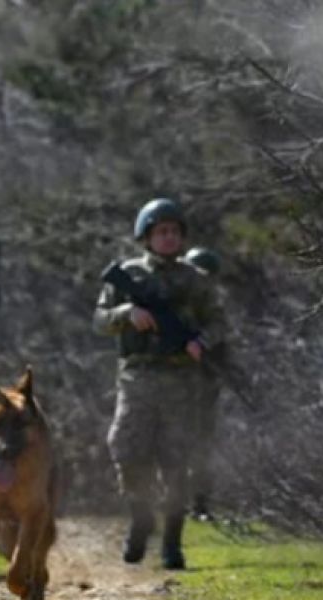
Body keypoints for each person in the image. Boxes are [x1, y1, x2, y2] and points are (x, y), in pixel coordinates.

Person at [92, 199, 226, 570]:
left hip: (182, 379)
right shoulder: (128, 274)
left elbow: (218, 321)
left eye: (174, 232)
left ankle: (172, 542)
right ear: (147, 236)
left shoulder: (195, 280)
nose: (168, 238)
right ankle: (140, 516)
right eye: (161, 232)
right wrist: (126, 314)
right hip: (138, 376)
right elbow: (99, 320)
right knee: (126, 448)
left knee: (176, 461)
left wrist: (202, 342)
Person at [182, 246, 224, 521]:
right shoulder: (177, 305)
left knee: (202, 447)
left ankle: (200, 504)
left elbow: (220, 337)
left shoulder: (212, 310)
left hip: (203, 386)